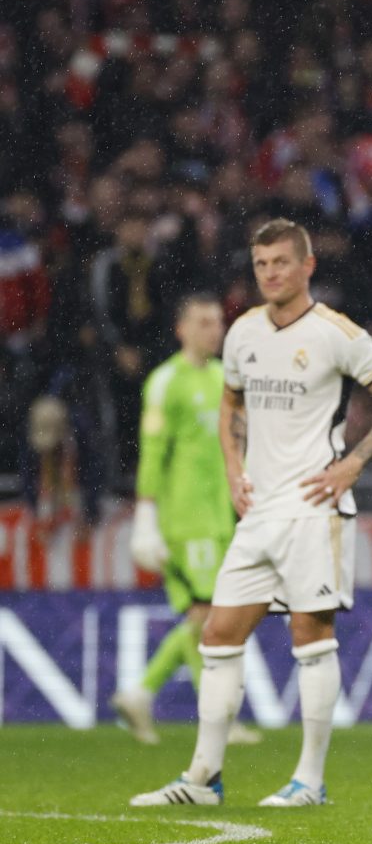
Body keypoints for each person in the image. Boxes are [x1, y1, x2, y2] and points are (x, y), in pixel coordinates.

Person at [131, 219, 372, 807]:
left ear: (307, 266)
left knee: (310, 638)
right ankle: (203, 779)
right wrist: (233, 468)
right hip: (259, 512)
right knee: (218, 635)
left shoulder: (335, 332)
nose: (270, 273)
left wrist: (353, 463)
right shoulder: (242, 332)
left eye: (281, 262)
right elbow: (230, 404)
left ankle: (309, 781)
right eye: (261, 264)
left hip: (314, 508)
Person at [111, 293, 260, 747]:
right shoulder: (165, 382)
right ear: (181, 329)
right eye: (203, 323)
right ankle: (217, 717)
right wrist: (146, 516)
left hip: (220, 517)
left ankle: (141, 693)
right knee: (207, 615)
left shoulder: (223, 379)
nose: (214, 330)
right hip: (185, 517)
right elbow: (152, 452)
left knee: (206, 617)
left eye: (217, 322)